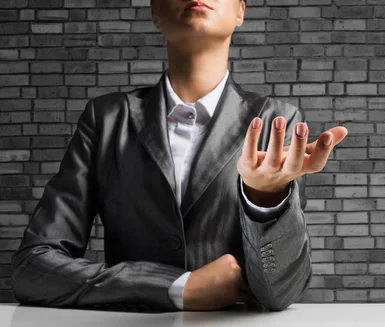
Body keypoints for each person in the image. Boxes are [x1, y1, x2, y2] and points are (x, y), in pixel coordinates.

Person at [10, 0, 348, 312]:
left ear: (240, 11)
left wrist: (264, 198)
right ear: (155, 11)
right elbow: (33, 267)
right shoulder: (107, 118)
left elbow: (280, 294)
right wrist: (175, 285)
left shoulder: (277, 121)